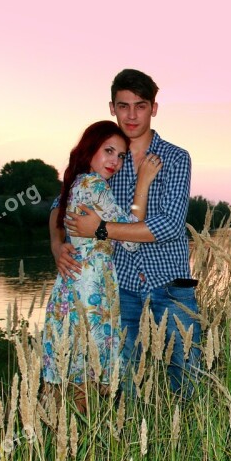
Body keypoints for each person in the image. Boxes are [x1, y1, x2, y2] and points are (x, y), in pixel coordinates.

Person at [51, 69, 202, 401]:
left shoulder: (175, 158)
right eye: (123, 106)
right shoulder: (106, 157)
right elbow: (59, 202)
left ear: (154, 109)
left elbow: (169, 226)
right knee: (122, 386)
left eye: (141, 105)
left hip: (171, 286)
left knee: (188, 379)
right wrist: (56, 244)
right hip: (120, 289)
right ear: (112, 108)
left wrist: (100, 229)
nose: (131, 115)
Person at [43, 120, 162, 414]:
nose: (115, 161)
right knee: (89, 379)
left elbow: (59, 211)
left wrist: (61, 244)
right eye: (108, 151)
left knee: (71, 377)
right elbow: (132, 236)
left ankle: (66, 444)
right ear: (90, 149)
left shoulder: (77, 183)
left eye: (121, 155)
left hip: (72, 288)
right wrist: (143, 183)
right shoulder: (94, 185)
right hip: (90, 293)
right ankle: (81, 445)